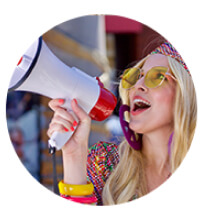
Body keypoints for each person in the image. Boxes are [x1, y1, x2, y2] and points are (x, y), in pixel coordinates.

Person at [47, 40, 197, 205]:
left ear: (186, 95)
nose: (137, 86)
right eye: (136, 77)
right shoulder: (105, 163)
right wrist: (74, 155)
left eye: (157, 77)